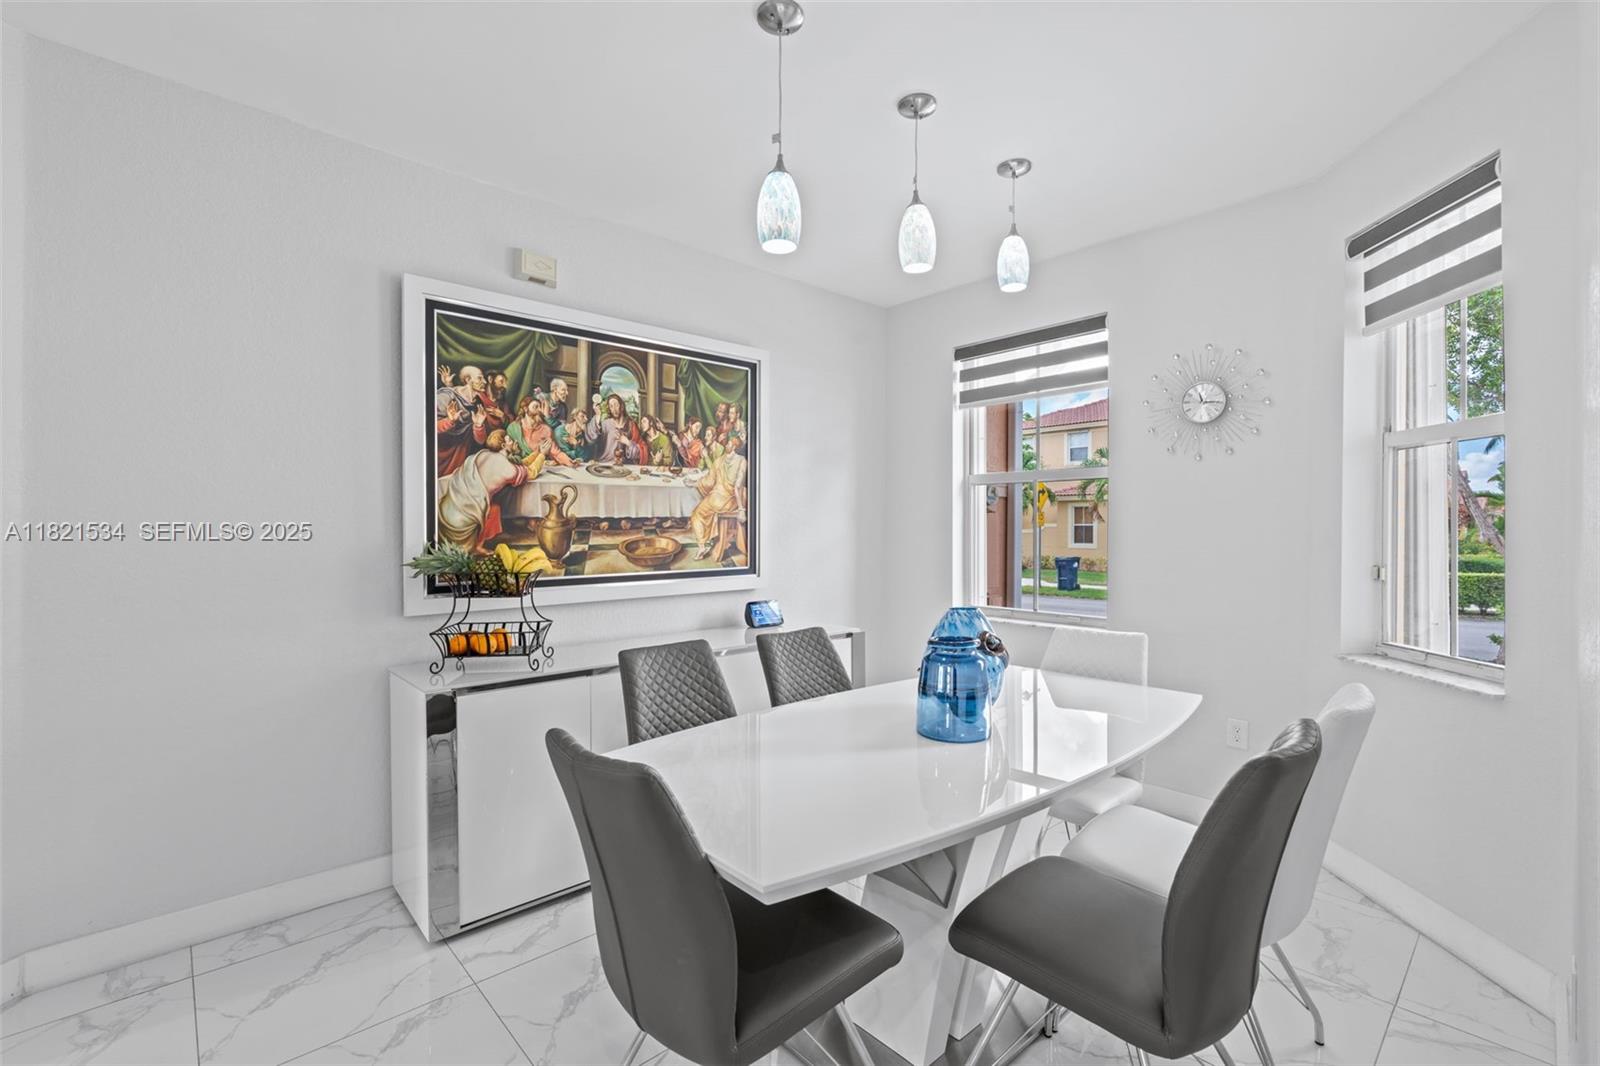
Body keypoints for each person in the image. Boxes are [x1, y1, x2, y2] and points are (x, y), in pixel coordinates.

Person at [436, 429, 531, 553]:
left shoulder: (482, 454)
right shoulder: (509, 469)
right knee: (494, 510)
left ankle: (478, 545)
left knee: (494, 508)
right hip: (465, 515)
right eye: (510, 440)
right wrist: (542, 455)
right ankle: (476, 547)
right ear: (503, 446)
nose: (514, 442)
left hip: (450, 507)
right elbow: (529, 472)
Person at [690, 431, 749, 561]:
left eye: (727, 442)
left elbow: (709, 482)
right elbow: (735, 486)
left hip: (722, 500)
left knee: (697, 514)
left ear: (733, 445)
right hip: (729, 501)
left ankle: (702, 545)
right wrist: (741, 508)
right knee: (701, 511)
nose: (725, 444)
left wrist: (695, 483)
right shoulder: (740, 461)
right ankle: (705, 545)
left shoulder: (724, 460)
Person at [435, 365, 495, 477]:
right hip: (442, 455)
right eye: (479, 378)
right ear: (468, 380)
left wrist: (478, 426)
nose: (485, 382)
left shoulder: (478, 404)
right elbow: (428, 427)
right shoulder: (446, 397)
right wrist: (450, 421)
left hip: (461, 456)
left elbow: (480, 441)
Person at [585, 393, 642, 464]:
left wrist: (628, 442)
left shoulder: (631, 425)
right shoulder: (606, 424)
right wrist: (598, 415)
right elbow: (591, 437)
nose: (614, 409)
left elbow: (640, 451)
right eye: (611, 406)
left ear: (621, 406)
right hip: (605, 463)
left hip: (625, 465)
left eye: (616, 405)